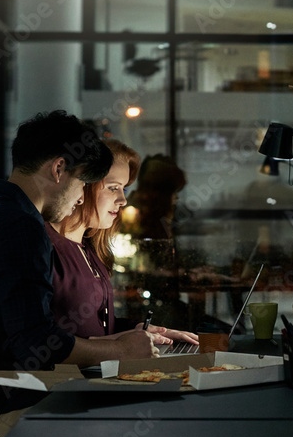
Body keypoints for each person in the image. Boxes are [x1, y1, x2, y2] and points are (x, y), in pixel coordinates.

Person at [0, 111, 157, 430]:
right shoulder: (20, 226)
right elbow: (36, 342)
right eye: (83, 182)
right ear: (59, 168)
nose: (81, 196)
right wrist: (120, 348)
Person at [46, 138, 198, 348]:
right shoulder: (44, 245)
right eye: (113, 188)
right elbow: (40, 341)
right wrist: (120, 343)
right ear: (84, 185)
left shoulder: (90, 247)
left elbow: (96, 328)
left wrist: (141, 331)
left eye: (124, 189)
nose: (123, 200)